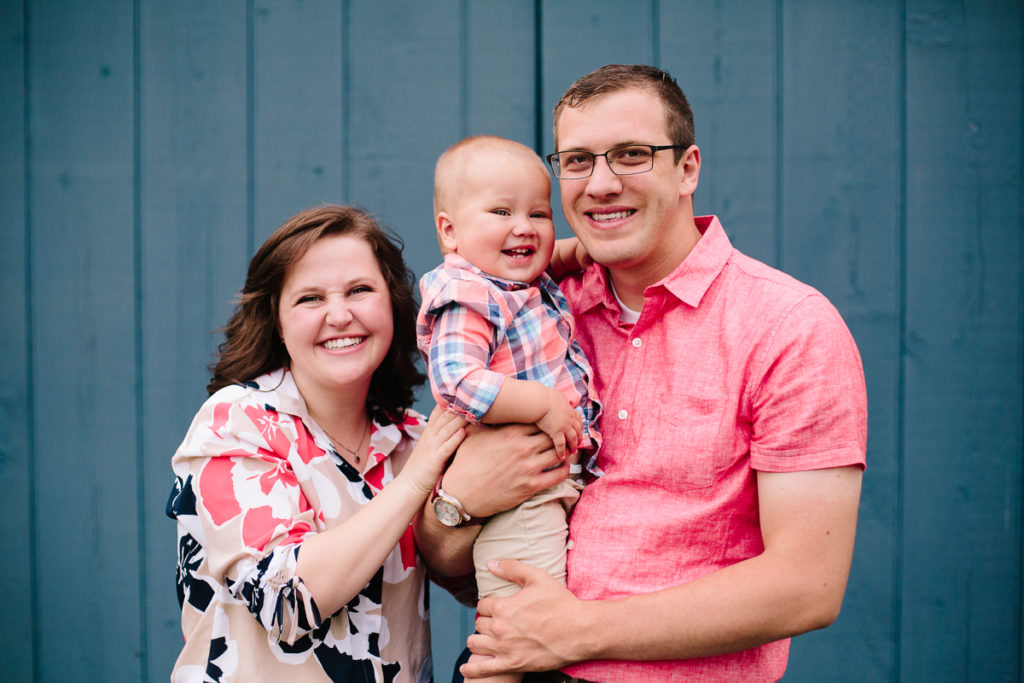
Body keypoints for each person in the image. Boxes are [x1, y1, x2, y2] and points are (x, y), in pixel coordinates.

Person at [456, 64, 868, 682]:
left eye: (631, 155)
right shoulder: (530, 310)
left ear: (688, 168)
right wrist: (450, 509)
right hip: (513, 663)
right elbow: (444, 557)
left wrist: (574, 633)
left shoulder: (788, 326)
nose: (599, 184)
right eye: (577, 160)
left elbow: (807, 586)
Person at [166, 204, 474, 682]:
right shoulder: (237, 423)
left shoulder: (411, 436)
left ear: (392, 303)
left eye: (360, 290)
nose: (339, 314)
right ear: (278, 322)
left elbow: (475, 579)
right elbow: (288, 604)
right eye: (310, 298)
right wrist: (417, 480)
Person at [416, 136, 602, 683]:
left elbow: (556, 254)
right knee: (518, 624)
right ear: (450, 231)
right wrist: (541, 404)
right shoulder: (468, 293)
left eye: (538, 213)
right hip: (521, 495)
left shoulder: (516, 278)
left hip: (544, 485)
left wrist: (584, 247)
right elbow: (456, 381)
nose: (525, 227)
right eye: (501, 211)